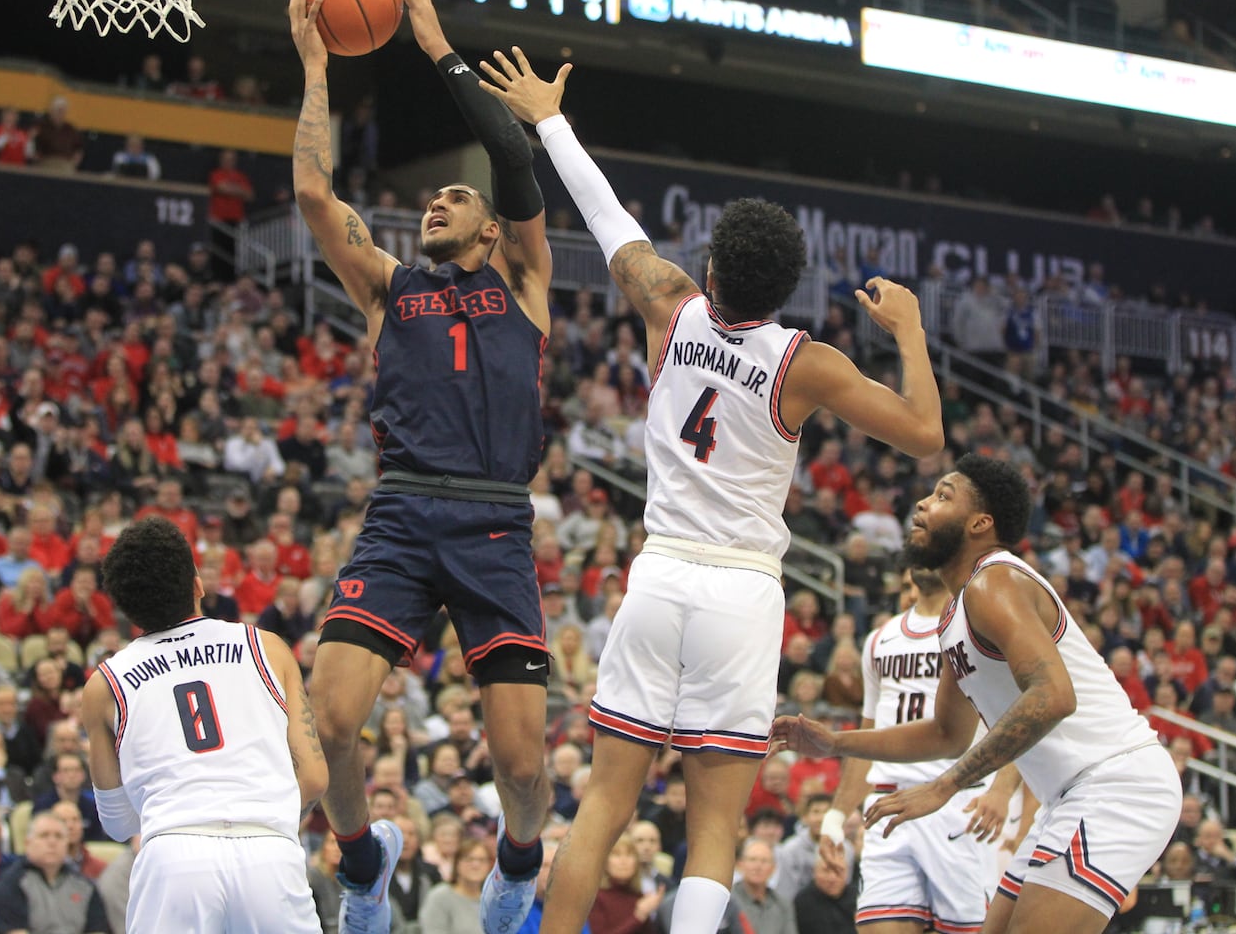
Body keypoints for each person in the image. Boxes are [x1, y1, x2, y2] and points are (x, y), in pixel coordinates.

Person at [478, 48, 943, 934]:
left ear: (716, 266)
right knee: (716, 827)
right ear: (786, 286)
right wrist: (910, 332)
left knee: (607, 802)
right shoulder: (807, 364)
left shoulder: (670, 303)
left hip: (659, 577)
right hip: (741, 590)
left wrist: (548, 121)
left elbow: (606, 213)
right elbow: (924, 437)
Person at [290, 0, 557, 934]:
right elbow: (315, 191)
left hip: (494, 519)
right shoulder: (388, 288)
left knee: (524, 769)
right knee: (332, 720)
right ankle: (364, 866)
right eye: (432, 196)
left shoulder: (527, 278)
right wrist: (317, 63)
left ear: (492, 227)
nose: (436, 202)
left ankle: (518, 869)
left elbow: (512, 158)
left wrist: (437, 45)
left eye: (455, 196)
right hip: (404, 510)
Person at [773, 455, 1182, 934]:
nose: (923, 504)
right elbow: (946, 733)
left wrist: (943, 786)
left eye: (944, 496)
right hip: (1068, 796)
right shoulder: (953, 618)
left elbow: (1053, 696)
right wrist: (838, 743)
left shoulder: (995, 580)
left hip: (1117, 782)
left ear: (980, 523)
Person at [82, 517, 327, 934]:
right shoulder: (266, 646)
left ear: (124, 608)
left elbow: (118, 823)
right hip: (267, 848)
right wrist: (264, 811)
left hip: (173, 858)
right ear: (198, 584)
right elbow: (315, 777)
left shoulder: (104, 684)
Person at [824, 564, 1021, 933]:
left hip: (956, 802)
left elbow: (1021, 718)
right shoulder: (879, 639)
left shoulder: (978, 630)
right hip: (888, 805)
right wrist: (835, 817)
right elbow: (869, 736)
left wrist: (1002, 790)